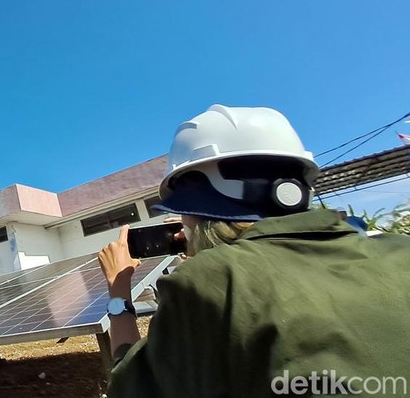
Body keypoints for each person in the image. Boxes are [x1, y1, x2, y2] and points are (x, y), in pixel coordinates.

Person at [98, 104, 410, 397]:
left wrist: (118, 291)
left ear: (199, 206)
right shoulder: (399, 249)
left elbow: (132, 389)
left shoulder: (211, 280)